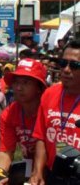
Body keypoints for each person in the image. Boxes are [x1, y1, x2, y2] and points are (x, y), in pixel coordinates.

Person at [31, 39, 80, 185]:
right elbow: (41, 137)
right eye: (63, 63)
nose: (66, 69)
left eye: (75, 65)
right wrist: (37, 171)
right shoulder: (49, 94)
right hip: (53, 175)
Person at [0, 59, 47, 178]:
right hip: (29, 171)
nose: (19, 88)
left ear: (38, 87)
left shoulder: (49, 111)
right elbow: (5, 151)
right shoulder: (8, 114)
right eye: (16, 82)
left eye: (26, 82)